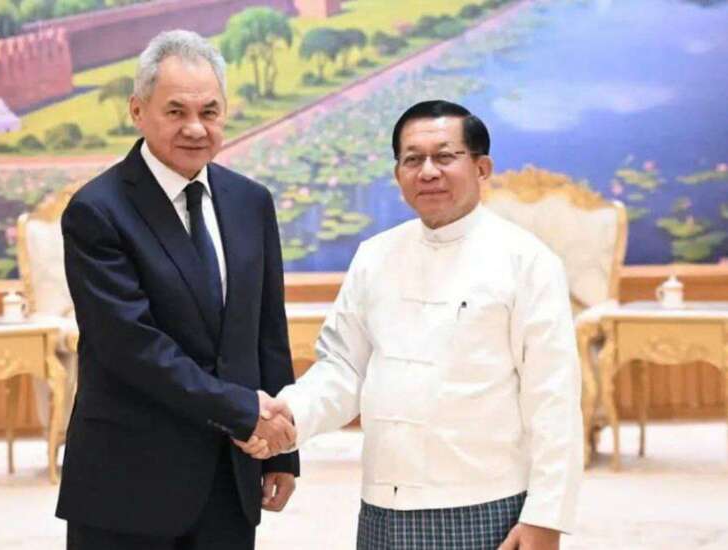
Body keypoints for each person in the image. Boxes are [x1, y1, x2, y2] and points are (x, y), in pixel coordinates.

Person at [242, 100, 583, 549]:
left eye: (444, 157)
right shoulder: (375, 256)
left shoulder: (527, 261)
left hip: (486, 504)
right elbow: (344, 368)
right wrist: (290, 414)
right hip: (384, 504)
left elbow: (553, 397)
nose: (428, 172)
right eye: (413, 159)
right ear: (398, 172)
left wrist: (545, 517)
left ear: (481, 168)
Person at [55, 30, 299, 550]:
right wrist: (243, 412)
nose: (195, 128)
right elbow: (130, 346)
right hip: (128, 480)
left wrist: (281, 451)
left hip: (230, 475)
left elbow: (266, 332)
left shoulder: (251, 202)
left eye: (209, 112)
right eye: (176, 111)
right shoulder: (97, 210)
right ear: (137, 111)